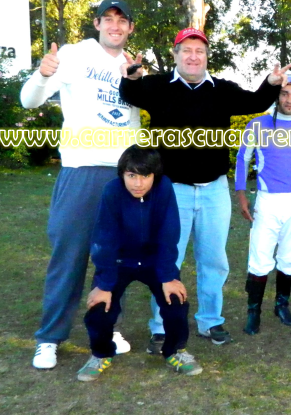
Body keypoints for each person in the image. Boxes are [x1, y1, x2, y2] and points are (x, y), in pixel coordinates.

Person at [119, 28, 290, 352]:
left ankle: (210, 320)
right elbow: (131, 94)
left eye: (199, 50)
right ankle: (161, 326)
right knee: (168, 259)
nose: (193, 56)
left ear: (206, 56)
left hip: (214, 190)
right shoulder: (157, 87)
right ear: (175, 55)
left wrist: (271, 83)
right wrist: (131, 77)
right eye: (186, 50)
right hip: (172, 191)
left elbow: (254, 101)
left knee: (214, 260)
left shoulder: (222, 90)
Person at [21, 0, 140, 369]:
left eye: (122, 20)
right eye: (108, 19)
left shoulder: (132, 66)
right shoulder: (74, 55)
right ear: (97, 23)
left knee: (113, 262)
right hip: (82, 171)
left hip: (122, 178)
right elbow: (29, 100)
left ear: (130, 28)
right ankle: (49, 338)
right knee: (69, 258)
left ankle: (107, 329)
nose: (115, 26)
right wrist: (43, 74)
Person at [77, 145, 203, 381]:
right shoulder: (112, 191)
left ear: (155, 175)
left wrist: (168, 276)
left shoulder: (164, 188)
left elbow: (169, 232)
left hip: (154, 261)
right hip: (120, 261)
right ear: (122, 174)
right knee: (99, 308)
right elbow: (104, 237)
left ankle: (175, 350)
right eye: (131, 175)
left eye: (145, 176)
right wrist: (105, 284)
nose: (138, 183)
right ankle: (101, 354)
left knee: (176, 302)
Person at [235, 72, 291, 335]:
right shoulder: (258, 124)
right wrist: (241, 194)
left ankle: (281, 304)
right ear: (277, 95)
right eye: (284, 94)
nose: (289, 100)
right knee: (260, 257)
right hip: (267, 200)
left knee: (290, 255)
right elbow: (243, 158)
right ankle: (253, 311)